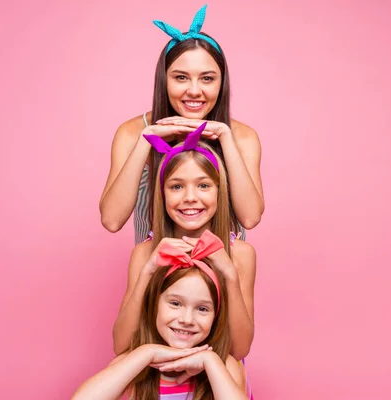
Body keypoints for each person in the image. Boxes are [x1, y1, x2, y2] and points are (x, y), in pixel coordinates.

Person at [99, 5, 264, 244]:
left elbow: (249, 218)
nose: (194, 91)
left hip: (223, 275)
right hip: (158, 273)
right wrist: (148, 138)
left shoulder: (242, 136)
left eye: (207, 78)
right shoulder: (132, 132)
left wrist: (225, 137)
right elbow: (112, 220)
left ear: (221, 82)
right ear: (163, 80)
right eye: (181, 77)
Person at [112, 124, 256, 395]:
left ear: (219, 190)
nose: (190, 198)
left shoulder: (241, 254)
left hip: (214, 374)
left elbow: (240, 348)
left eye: (203, 185)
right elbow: (121, 344)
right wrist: (147, 272)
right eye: (177, 186)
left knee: (230, 367)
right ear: (162, 194)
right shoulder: (145, 252)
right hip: (157, 371)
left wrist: (230, 275)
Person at [72, 231, 248, 399]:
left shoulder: (222, 366)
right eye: (175, 303)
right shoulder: (135, 362)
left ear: (215, 316)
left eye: (202, 309)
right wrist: (147, 353)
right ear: (154, 306)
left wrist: (210, 361)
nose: (187, 319)